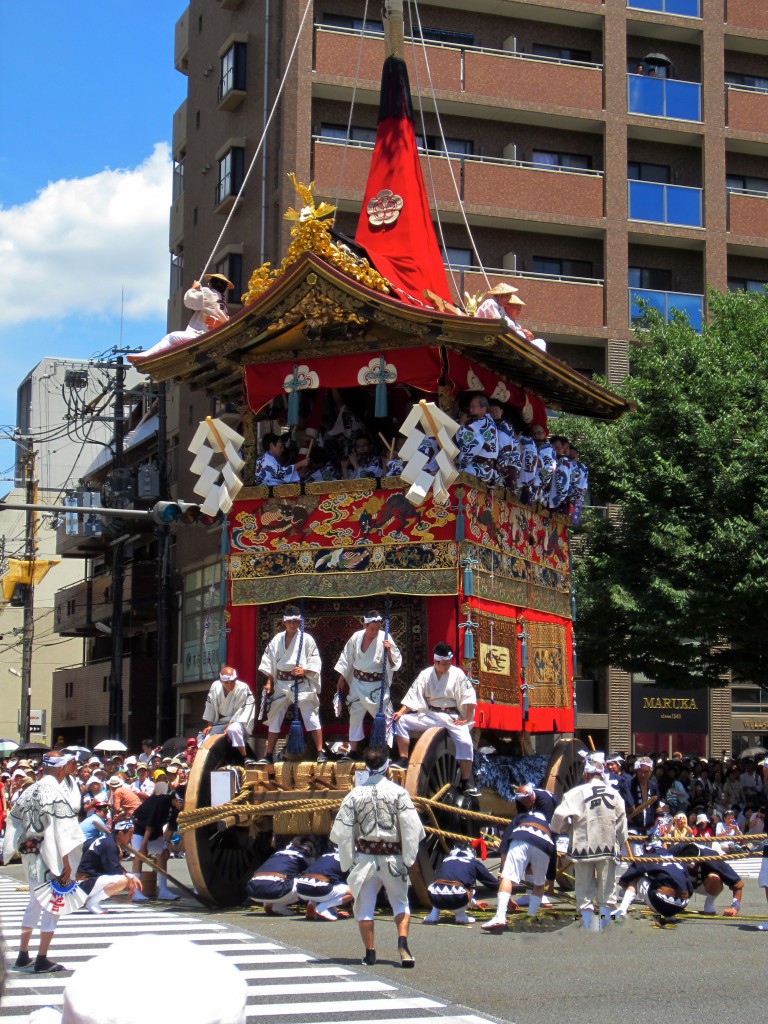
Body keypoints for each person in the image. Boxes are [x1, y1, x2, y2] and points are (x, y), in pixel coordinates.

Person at [330, 746, 425, 967]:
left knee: (364, 907)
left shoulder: (354, 795)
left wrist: (349, 854)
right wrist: (408, 855)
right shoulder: (399, 793)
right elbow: (412, 827)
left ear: (366, 767)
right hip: (392, 857)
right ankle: (403, 945)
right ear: (387, 766)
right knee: (400, 902)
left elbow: (342, 831)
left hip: (365, 857)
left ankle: (370, 953)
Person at [2, 752, 84, 973]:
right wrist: (67, 863)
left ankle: (23, 954)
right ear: (60, 769)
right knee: (53, 904)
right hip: (51, 854)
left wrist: (11, 848)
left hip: (31, 853)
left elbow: (14, 820)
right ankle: (42, 958)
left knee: (34, 902)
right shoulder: (55, 792)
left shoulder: (29, 791)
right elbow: (62, 831)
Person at [551, 754, 628, 930]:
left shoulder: (576, 792)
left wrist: (564, 830)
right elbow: (622, 821)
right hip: (608, 846)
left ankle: (586, 924)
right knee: (607, 888)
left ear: (585, 775)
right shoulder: (614, 794)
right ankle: (603, 923)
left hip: (583, 845)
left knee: (584, 887)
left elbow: (558, 816)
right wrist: (621, 841)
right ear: (602, 774)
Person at [393, 642, 479, 795]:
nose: (447, 666)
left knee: (466, 742)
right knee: (402, 722)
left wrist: (466, 718)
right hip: (431, 715)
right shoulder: (426, 674)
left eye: (449, 663)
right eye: (444, 663)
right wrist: (401, 712)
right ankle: (404, 758)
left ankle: (466, 782)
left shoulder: (457, 673)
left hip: (452, 717)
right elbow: (413, 695)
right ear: (436, 661)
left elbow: (469, 696)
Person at [483, 783, 557, 930]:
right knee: (539, 884)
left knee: (507, 878)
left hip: (521, 837)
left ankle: (500, 916)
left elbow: (505, 844)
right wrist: (551, 880)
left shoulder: (525, 815)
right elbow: (552, 851)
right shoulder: (544, 825)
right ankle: (530, 917)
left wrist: (503, 872)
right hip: (545, 842)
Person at [257, 606, 324, 764]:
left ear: (299, 622)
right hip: (281, 682)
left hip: (300, 683)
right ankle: (267, 755)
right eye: (289, 622)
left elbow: (315, 660)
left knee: (311, 716)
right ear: (284, 622)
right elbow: (270, 662)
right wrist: (269, 682)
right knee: (274, 717)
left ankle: (320, 752)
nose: (292, 625)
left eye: (295, 622)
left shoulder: (306, 639)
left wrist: (305, 670)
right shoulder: (277, 639)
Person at [335, 610, 403, 758]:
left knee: (383, 718)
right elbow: (347, 659)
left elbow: (395, 663)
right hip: (358, 683)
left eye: (377, 628)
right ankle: (353, 750)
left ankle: (385, 750)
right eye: (372, 628)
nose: (374, 631)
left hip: (376, 685)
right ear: (364, 625)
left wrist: (389, 651)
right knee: (355, 715)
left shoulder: (385, 637)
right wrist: (341, 679)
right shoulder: (356, 637)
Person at [141, 274, 233, 357]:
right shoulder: (222, 300)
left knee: (171, 338)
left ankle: (148, 355)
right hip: (215, 334)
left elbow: (190, 301)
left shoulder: (208, 292)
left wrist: (194, 289)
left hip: (202, 333)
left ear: (210, 284)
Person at [129, 775, 184, 903]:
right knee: (139, 857)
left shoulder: (175, 808)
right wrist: (143, 846)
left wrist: (165, 844)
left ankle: (163, 890)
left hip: (155, 829)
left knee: (163, 855)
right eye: (183, 802)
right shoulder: (161, 802)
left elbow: (171, 826)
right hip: (140, 826)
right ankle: (137, 892)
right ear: (177, 799)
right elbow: (150, 825)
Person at [76, 819, 143, 915]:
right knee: (122, 880)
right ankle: (92, 902)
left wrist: (131, 876)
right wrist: (131, 879)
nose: (132, 837)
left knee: (124, 878)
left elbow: (113, 867)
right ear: (120, 834)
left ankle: (91, 900)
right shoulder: (109, 844)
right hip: (85, 882)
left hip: (88, 880)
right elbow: (115, 871)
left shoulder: (106, 840)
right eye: (130, 833)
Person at [424, 840, 499, 925]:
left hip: (436, 899)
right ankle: (460, 915)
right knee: (469, 884)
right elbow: (490, 882)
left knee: (438, 884)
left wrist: (475, 903)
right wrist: (505, 894)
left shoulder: (446, 860)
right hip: (458, 899)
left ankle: (434, 915)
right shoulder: (473, 862)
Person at [246, 837, 315, 916]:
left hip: (252, 891)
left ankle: (268, 902)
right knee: (307, 880)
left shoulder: (277, 854)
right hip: (276, 890)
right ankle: (280, 906)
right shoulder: (304, 858)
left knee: (275, 878)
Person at [672, 841, 744, 916]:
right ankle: (678, 901)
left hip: (703, 883)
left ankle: (709, 903)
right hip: (681, 883)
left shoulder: (712, 859)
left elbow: (738, 884)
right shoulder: (673, 853)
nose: (689, 869)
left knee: (714, 878)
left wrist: (735, 907)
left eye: (691, 867)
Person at [614, 853, 691, 921]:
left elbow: (626, 878)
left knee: (636, 879)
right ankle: (669, 915)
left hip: (661, 902)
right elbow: (690, 889)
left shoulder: (648, 857)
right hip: (681, 905)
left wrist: (624, 886)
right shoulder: (679, 861)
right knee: (660, 883)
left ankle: (622, 910)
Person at [202, 665, 256, 757]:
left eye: (233, 682)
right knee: (205, 739)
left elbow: (240, 709)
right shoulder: (215, 686)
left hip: (238, 721)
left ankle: (244, 756)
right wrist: (210, 725)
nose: (230, 685)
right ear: (221, 681)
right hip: (220, 722)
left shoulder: (242, 687)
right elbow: (210, 706)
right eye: (227, 683)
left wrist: (230, 724)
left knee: (233, 730)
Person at [295, 844, 353, 921]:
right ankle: (322, 907)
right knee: (353, 891)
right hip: (320, 888)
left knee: (326, 887)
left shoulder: (325, 856)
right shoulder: (347, 860)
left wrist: (335, 912)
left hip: (300, 889)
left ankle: (312, 903)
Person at [454, 394, 498, 485]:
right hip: (484, 468)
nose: (471, 410)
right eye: (470, 407)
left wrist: (461, 423)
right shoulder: (488, 422)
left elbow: (472, 443)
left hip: (481, 467)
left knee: (452, 471)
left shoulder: (483, 422)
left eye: (474, 407)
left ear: (484, 409)